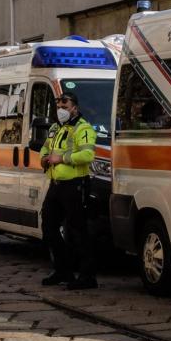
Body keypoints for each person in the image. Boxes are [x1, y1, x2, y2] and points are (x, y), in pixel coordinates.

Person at [39, 90, 98, 290]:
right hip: (56, 184)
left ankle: (87, 276)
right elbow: (46, 147)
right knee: (48, 226)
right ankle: (63, 270)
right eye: (59, 106)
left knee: (78, 230)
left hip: (75, 183)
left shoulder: (83, 128)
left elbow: (88, 155)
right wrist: (44, 157)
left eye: (65, 106)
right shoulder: (56, 127)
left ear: (75, 107)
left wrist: (62, 158)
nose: (61, 109)